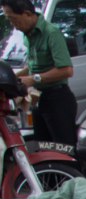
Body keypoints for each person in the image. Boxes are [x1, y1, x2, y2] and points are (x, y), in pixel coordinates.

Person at [1, 0, 77, 147]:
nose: (13, 24)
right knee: (43, 148)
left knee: (64, 149)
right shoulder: (28, 35)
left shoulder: (51, 32)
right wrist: (11, 78)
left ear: (27, 14)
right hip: (38, 99)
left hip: (58, 99)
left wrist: (34, 79)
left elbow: (67, 70)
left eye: (13, 19)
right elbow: (32, 67)